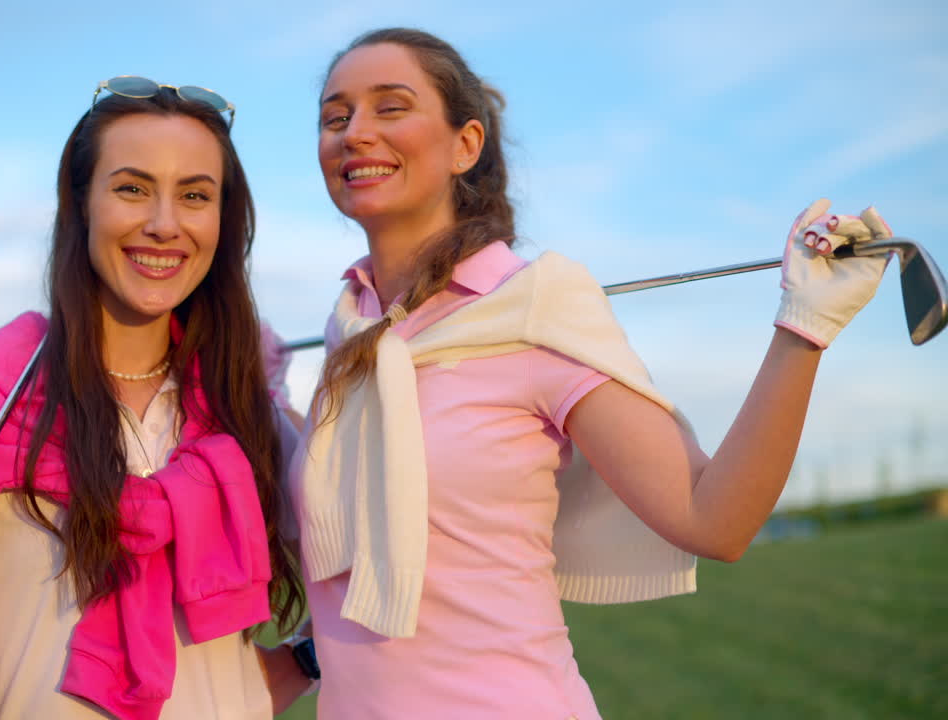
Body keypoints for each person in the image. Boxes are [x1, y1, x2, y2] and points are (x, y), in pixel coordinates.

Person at [290, 28, 892, 719]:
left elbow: (714, 520)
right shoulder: (351, 331)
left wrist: (804, 327)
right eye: (336, 117)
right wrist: (255, 378)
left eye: (391, 107)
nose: (355, 133)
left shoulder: (533, 302)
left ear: (466, 144)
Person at [0, 78, 313, 720]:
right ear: (80, 204)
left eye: (195, 195)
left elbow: (372, 574)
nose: (164, 224)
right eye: (132, 188)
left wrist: (307, 659)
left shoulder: (244, 409)